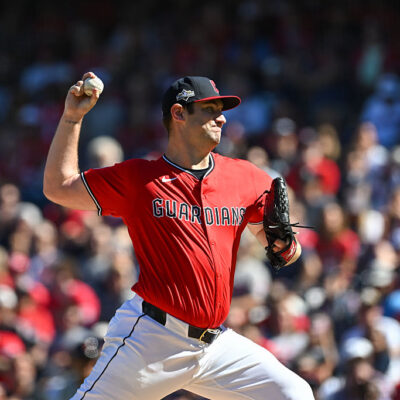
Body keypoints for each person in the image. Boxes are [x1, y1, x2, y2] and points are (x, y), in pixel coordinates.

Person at [43, 72, 314, 400]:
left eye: (221, 109)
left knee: (294, 394)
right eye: (211, 109)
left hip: (215, 346)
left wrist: (287, 247)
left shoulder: (244, 177)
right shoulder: (140, 180)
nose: (223, 118)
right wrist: (72, 118)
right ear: (179, 113)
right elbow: (58, 187)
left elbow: (283, 249)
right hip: (152, 340)